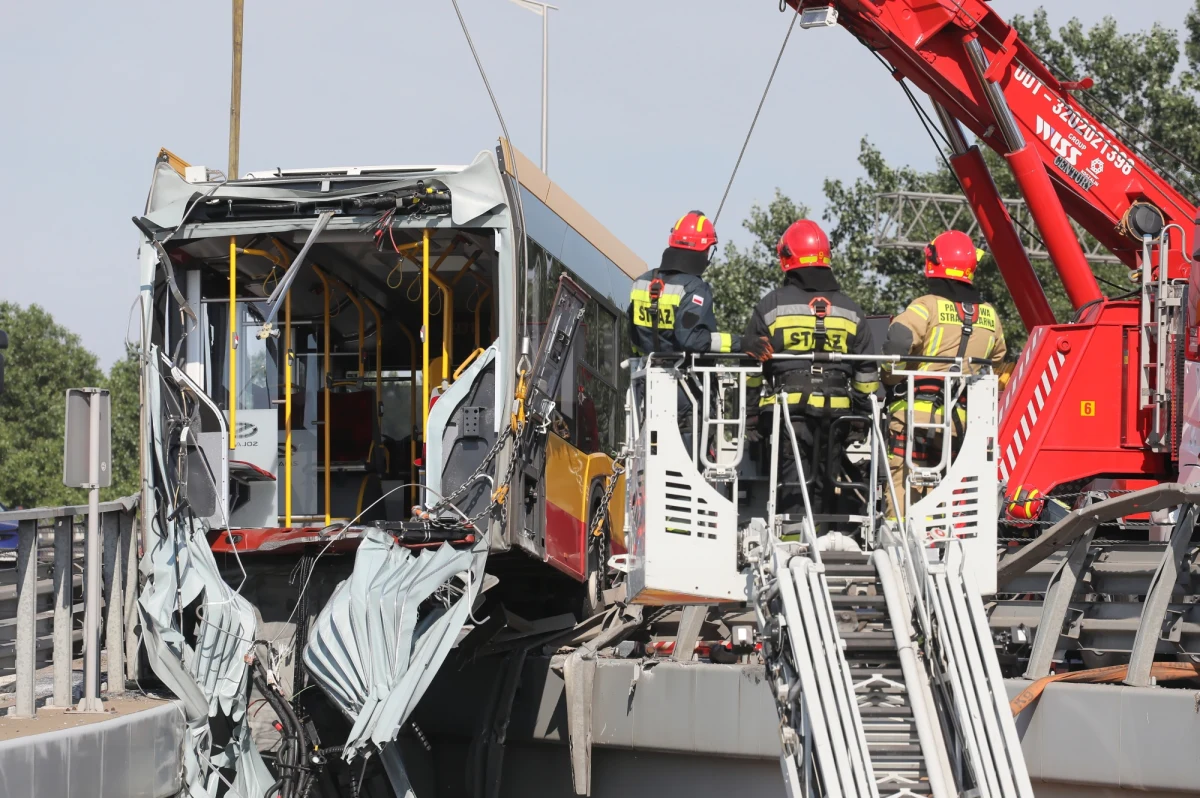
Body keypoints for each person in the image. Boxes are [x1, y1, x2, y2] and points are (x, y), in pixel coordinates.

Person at [743, 219, 878, 536]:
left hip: (790, 412)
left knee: (793, 482)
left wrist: (750, 414)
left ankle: (794, 547)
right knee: (826, 480)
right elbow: (867, 374)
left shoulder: (771, 306)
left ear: (787, 258)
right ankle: (829, 537)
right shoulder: (851, 310)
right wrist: (860, 416)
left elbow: (752, 365)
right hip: (837, 417)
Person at [881, 230, 1006, 519]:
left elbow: (897, 344)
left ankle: (900, 548)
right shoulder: (990, 316)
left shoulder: (925, 306)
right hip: (961, 422)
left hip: (915, 417)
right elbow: (997, 360)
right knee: (948, 489)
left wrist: (887, 376)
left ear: (934, 263)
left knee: (905, 486)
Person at [628, 211, 772, 454]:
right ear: (703, 251)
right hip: (684, 394)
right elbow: (692, 340)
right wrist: (742, 343)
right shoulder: (694, 288)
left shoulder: (641, 283)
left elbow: (632, 337)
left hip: (647, 390)